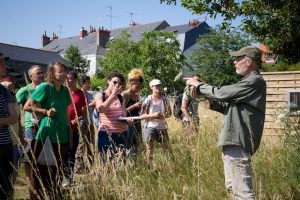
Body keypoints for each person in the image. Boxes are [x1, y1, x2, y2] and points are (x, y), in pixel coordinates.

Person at [185, 46, 266, 199]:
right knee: (232, 189)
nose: (234, 62)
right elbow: (226, 107)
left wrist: (199, 85)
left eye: (238, 58)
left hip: (238, 142)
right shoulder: (247, 83)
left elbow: (222, 93)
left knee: (243, 194)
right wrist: (207, 96)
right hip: (233, 142)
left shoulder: (254, 81)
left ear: (249, 61)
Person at [25, 62, 72, 199]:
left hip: (62, 135)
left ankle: (54, 195)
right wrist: (45, 111)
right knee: (42, 171)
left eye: (65, 71)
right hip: (46, 136)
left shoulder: (65, 90)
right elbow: (27, 107)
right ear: (52, 73)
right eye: (60, 71)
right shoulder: (45, 87)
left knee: (58, 170)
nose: (64, 73)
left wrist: (70, 133)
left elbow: (66, 114)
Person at [15, 64, 44, 198]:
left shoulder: (45, 89)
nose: (41, 75)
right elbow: (16, 109)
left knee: (43, 161)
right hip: (30, 128)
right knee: (30, 162)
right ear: (31, 76)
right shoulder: (24, 91)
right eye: (38, 73)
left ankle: (42, 190)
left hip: (43, 128)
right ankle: (32, 193)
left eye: (42, 72)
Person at [95, 72, 129, 162]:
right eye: (114, 82)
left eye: (119, 84)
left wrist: (129, 121)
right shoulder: (100, 95)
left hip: (121, 133)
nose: (117, 85)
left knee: (120, 162)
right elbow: (101, 109)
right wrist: (113, 95)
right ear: (108, 81)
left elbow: (124, 116)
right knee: (106, 161)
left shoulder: (121, 98)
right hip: (106, 133)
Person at [1, 69, 25, 197]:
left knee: (13, 174)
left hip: (14, 142)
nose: (14, 81)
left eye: (15, 79)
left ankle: (10, 195)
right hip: (4, 140)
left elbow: (18, 118)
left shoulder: (11, 96)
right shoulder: (3, 96)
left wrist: (22, 137)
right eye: (11, 78)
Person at [141, 79, 172, 166]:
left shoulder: (165, 99)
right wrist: (153, 115)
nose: (158, 87)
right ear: (151, 87)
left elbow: (169, 113)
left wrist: (163, 116)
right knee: (150, 149)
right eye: (156, 86)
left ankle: (169, 166)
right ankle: (149, 167)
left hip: (162, 127)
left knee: (167, 148)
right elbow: (142, 115)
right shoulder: (147, 99)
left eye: (159, 85)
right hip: (150, 127)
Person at [0, 53, 18, 199]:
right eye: (1, 64)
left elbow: (14, 118)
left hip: (6, 143)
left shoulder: (4, 91)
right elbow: (10, 117)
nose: (4, 67)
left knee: (6, 184)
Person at [64, 70, 87, 186]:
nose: (67, 81)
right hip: (62, 127)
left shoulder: (81, 94)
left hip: (74, 128)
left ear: (75, 80)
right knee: (62, 152)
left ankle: (69, 178)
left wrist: (76, 120)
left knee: (71, 152)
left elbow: (84, 112)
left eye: (70, 79)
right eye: (66, 78)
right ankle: (61, 177)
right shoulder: (62, 92)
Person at [121, 69, 144, 160]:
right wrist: (134, 106)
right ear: (131, 83)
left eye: (140, 86)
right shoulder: (124, 95)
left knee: (136, 144)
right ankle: (127, 163)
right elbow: (122, 112)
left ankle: (134, 164)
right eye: (137, 86)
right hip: (127, 124)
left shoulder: (136, 95)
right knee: (128, 145)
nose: (138, 88)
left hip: (136, 123)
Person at [78, 75, 95, 170]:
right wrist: (90, 105)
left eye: (89, 82)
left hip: (90, 122)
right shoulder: (78, 94)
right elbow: (79, 110)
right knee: (81, 145)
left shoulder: (90, 95)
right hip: (81, 123)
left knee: (90, 144)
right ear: (82, 83)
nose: (89, 85)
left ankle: (90, 166)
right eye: (87, 83)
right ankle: (79, 167)